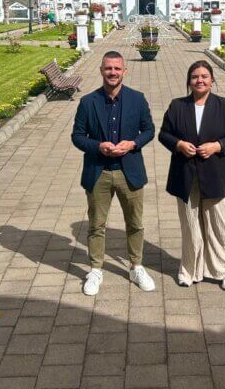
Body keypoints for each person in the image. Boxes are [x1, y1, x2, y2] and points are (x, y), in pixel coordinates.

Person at [71, 51, 156, 295]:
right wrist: (98, 146)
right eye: (108, 68)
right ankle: (96, 269)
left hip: (129, 171)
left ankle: (136, 266)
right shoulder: (88, 102)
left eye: (117, 68)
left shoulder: (137, 99)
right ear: (101, 70)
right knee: (96, 224)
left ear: (124, 71)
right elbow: (77, 136)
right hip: (99, 172)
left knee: (135, 223)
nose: (113, 73)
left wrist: (133, 144)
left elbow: (148, 130)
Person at [158, 60, 225, 290]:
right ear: (189, 81)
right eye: (195, 76)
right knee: (190, 226)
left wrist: (217, 146)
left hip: (216, 176)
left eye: (205, 76)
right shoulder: (177, 106)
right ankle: (189, 270)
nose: (200, 80)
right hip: (185, 176)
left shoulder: (224, 105)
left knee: (220, 224)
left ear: (212, 80)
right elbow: (164, 134)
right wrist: (178, 144)